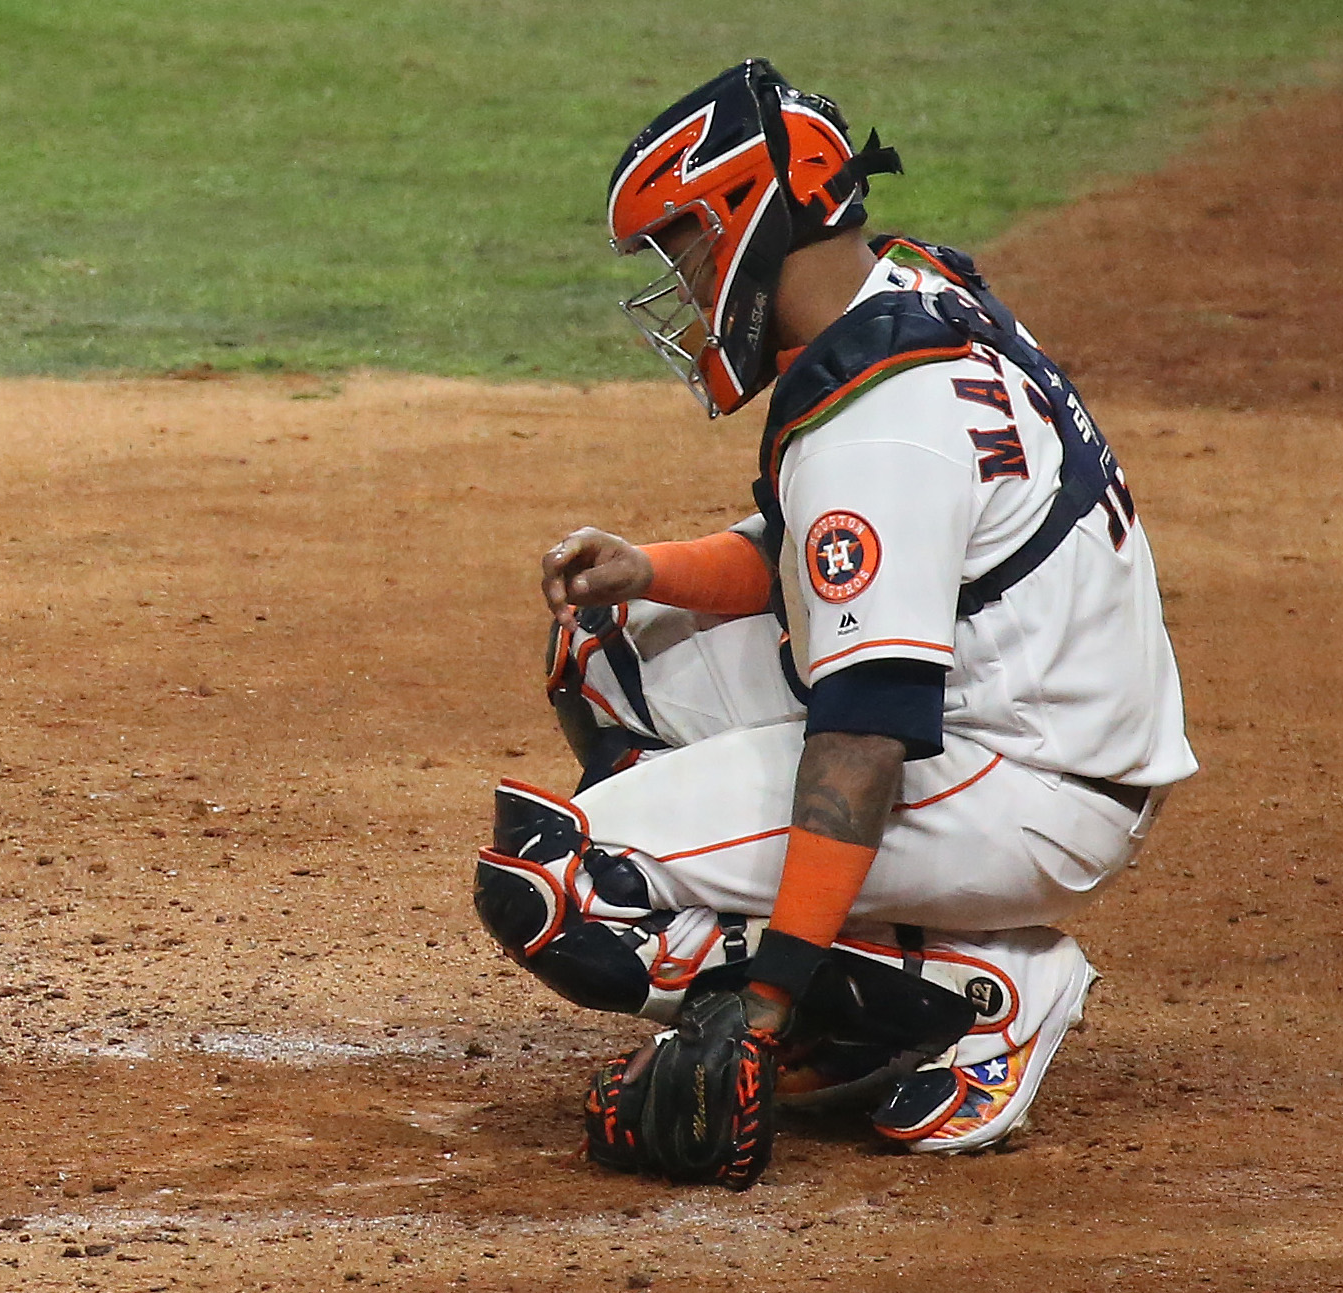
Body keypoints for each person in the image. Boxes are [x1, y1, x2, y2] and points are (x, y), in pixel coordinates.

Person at [481, 62, 1193, 1184]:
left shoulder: (879, 434)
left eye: (684, 247)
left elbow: (859, 741)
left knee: (559, 886)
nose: (680, 283)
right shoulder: (904, 288)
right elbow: (812, 555)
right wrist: (650, 567)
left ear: (750, 223)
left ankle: (980, 991)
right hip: (1029, 704)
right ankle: (871, 981)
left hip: (1022, 779)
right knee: (611, 647)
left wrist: (761, 1006)